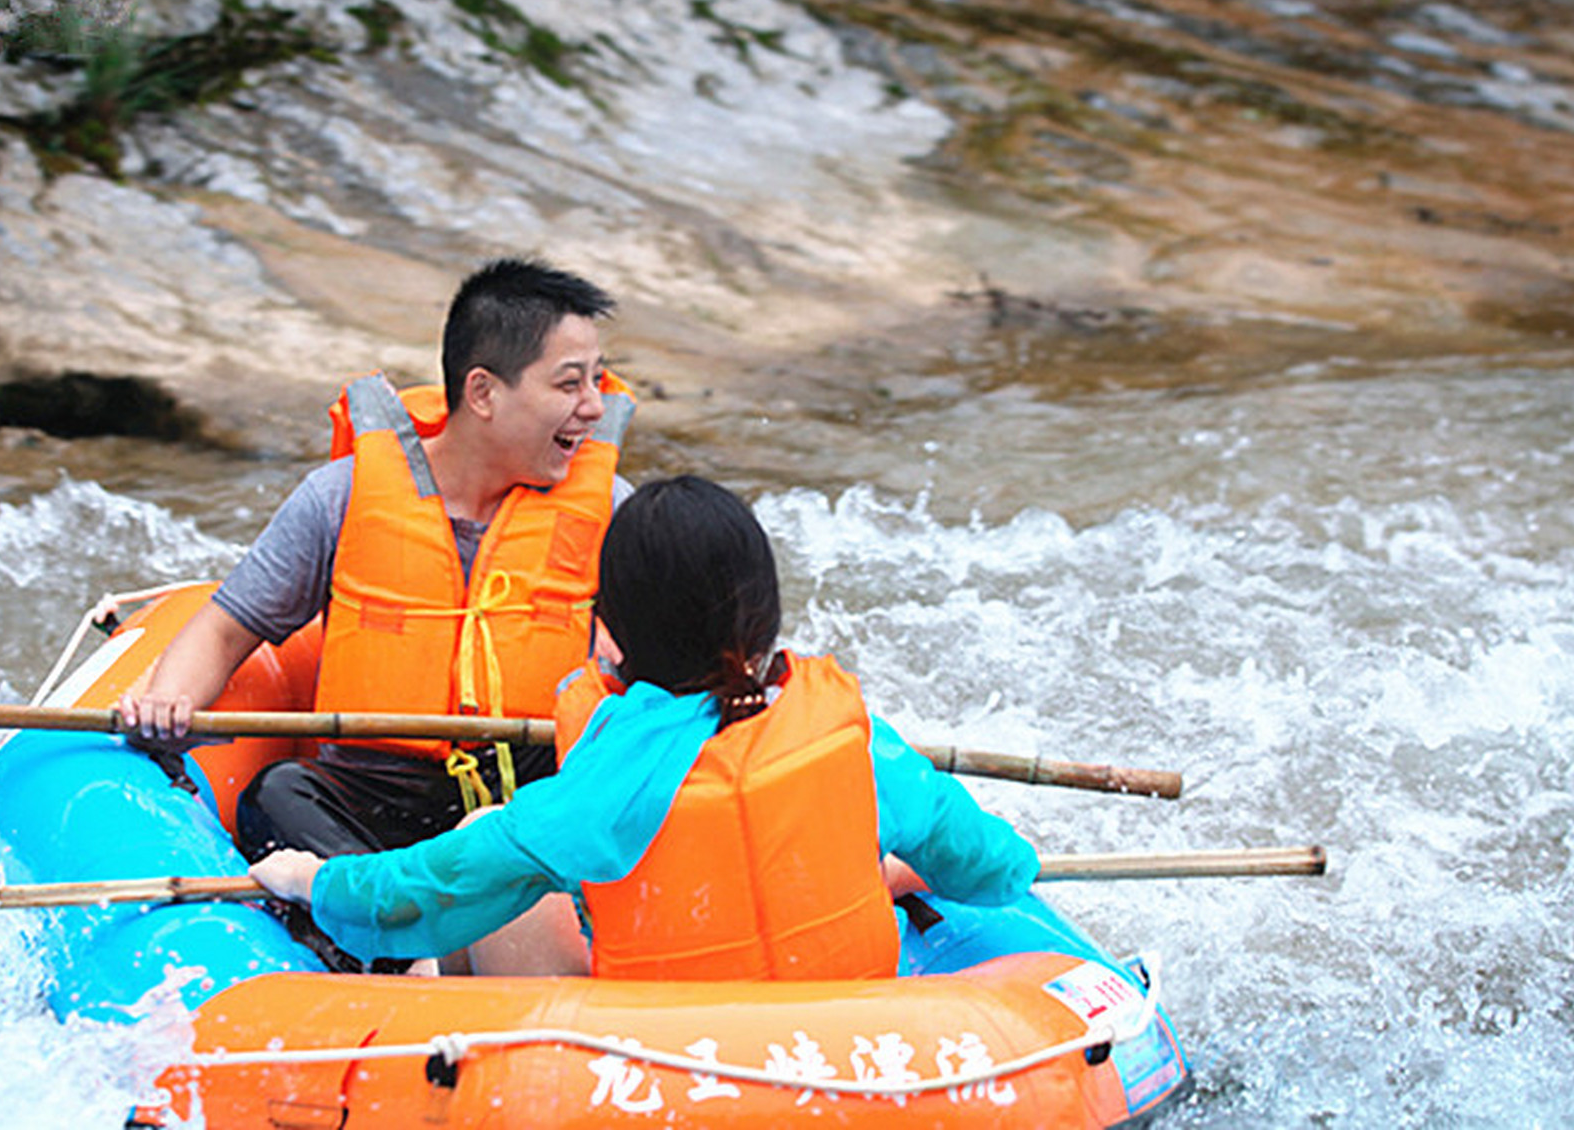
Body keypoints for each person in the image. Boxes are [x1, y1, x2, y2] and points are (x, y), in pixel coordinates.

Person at [249, 475, 1038, 979]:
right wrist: (888, 869)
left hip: (659, 1057)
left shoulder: (604, 785)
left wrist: (312, 882)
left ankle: (424, 991)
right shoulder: (855, 738)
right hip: (842, 1041)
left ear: (613, 631)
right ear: (765, 615)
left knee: (501, 849)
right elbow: (995, 872)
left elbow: (421, 894)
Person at [120, 257, 634, 886]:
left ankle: (422, 926)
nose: (592, 408)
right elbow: (226, 630)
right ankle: (399, 936)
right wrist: (168, 702)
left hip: (531, 794)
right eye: (569, 385)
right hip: (375, 803)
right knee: (275, 797)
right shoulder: (341, 497)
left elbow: (674, 661)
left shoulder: (610, 511)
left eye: (597, 383)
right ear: (483, 393)